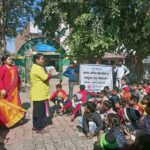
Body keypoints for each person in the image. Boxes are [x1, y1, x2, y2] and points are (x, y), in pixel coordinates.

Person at [0, 55, 26, 128]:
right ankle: (8, 121)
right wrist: (2, 89)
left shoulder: (14, 67)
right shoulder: (2, 68)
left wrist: (20, 85)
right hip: (6, 91)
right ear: (4, 61)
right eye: (9, 59)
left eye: (11, 59)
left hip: (15, 90)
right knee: (8, 106)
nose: (11, 60)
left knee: (17, 104)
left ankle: (17, 119)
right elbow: (0, 79)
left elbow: (17, 77)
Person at [30, 53, 51, 133]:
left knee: (36, 111)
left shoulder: (35, 67)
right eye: (42, 59)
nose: (43, 60)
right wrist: (50, 74)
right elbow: (45, 77)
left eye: (43, 59)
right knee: (40, 111)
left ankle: (35, 126)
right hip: (40, 93)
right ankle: (39, 128)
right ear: (37, 60)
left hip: (37, 93)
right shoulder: (38, 68)